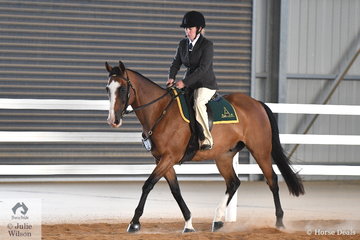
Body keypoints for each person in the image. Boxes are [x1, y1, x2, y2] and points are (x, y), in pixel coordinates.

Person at [166, 11, 218, 150]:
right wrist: (171, 77)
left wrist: (184, 82)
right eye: (186, 28)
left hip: (205, 83)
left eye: (190, 28)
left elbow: (203, 69)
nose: (187, 31)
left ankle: (206, 139)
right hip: (189, 82)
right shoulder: (183, 44)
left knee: (198, 102)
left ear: (199, 29)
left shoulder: (207, 45)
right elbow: (176, 63)